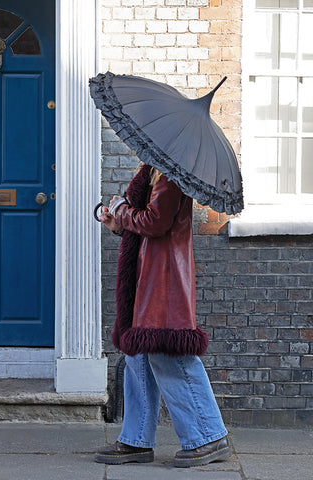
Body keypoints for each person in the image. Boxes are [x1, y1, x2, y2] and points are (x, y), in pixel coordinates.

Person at [95, 162, 231, 468]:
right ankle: (136, 439)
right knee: (138, 356)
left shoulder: (171, 175)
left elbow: (156, 222)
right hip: (148, 276)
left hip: (164, 276)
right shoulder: (156, 170)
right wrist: (119, 223)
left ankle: (209, 436)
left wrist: (120, 209)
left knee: (170, 355)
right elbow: (144, 225)